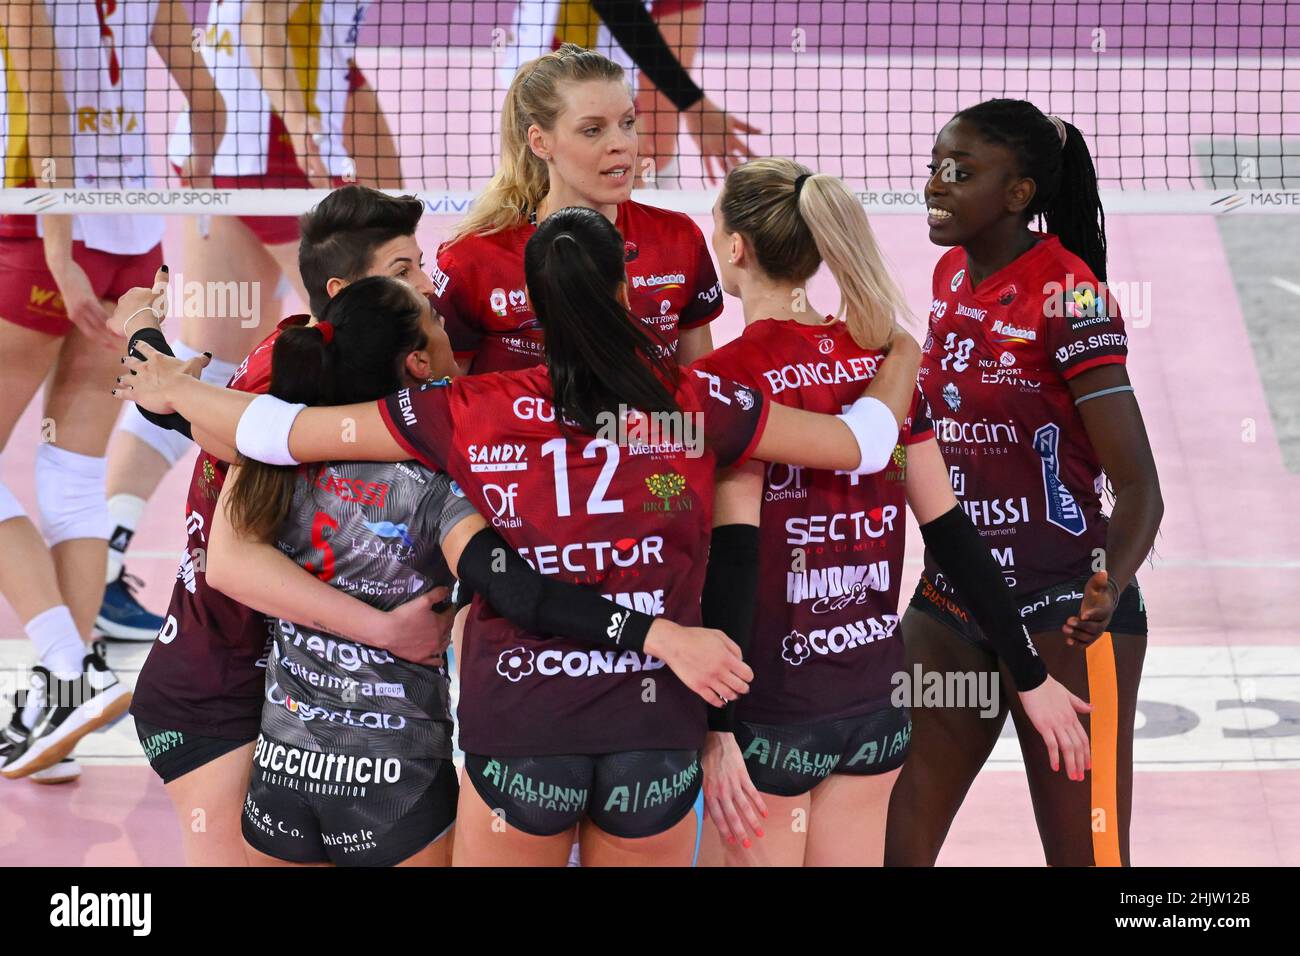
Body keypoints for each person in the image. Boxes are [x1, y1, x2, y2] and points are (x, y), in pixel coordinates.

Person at [113, 206, 925, 866]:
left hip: (523, 732)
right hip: (653, 732)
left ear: (530, 305)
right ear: (624, 289)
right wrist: (904, 352)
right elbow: (864, 443)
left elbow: (271, 429)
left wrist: (163, 375)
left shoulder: (470, 409)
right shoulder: (693, 402)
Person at [204, 275, 755, 867]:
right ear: (417, 362)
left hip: (285, 774)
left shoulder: (270, 468)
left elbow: (228, 531)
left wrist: (160, 370)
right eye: (437, 320)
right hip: (397, 782)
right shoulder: (445, 476)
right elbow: (512, 584)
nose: (451, 327)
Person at [691, 159, 1093, 866]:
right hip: (873, 712)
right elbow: (955, 535)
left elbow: (736, 559)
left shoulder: (726, 379)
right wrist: (1027, 675)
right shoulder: (883, 365)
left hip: (772, 710)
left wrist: (717, 726)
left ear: (734, 247)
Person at [123, 186, 451, 865]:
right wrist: (165, 378)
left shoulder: (307, 359)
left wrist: (152, 355)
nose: (428, 285)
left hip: (283, 687)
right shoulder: (292, 375)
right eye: (402, 271)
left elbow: (212, 422)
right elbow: (239, 467)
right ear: (342, 289)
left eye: (420, 265)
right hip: (213, 683)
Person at [885, 100, 1163, 867]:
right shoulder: (949, 275)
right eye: (934, 167)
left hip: (1065, 614)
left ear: (1018, 194)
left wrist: (1112, 576)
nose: (936, 186)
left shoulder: (1070, 298)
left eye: (960, 173)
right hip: (952, 603)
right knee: (890, 846)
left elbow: (1140, 486)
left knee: (1090, 861)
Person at [99, 0, 400, 640]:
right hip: (272, 155)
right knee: (368, 346)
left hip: (234, 149)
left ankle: (106, 555)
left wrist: (367, 149)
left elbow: (329, 54)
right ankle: (367, 570)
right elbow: (264, 19)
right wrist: (308, 129)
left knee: (204, 358)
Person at [0, 0, 223, 780]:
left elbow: (47, 105)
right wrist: (202, 155)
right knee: (67, 470)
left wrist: (58, 251)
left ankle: (73, 667)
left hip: (39, 232)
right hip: (132, 239)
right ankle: (59, 704)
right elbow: (203, 94)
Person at [434, 43, 723, 375]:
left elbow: (701, 390)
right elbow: (447, 402)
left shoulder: (678, 239)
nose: (621, 144)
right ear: (540, 142)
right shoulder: (473, 259)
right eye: (592, 130)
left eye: (627, 122)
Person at [511, 1, 751, 184]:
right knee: (554, 181)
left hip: (614, 67)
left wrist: (691, 105)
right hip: (564, 54)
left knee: (648, 155)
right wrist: (694, 104)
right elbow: (617, 6)